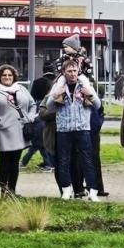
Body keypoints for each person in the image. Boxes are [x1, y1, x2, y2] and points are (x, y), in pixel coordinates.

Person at [47, 58, 100, 201]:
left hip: (83, 128)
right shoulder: (58, 86)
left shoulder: (84, 85)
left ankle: (92, 191)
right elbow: (49, 107)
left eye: (75, 70)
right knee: (63, 161)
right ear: (64, 72)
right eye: (69, 71)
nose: (72, 74)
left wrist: (90, 94)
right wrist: (55, 95)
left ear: (78, 71)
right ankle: (66, 190)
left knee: (87, 160)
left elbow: (98, 105)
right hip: (64, 129)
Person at [0, 65, 35, 198]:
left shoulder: (22, 89)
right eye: (4, 75)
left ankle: (12, 190)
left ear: (14, 77)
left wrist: (30, 118)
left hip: (20, 131)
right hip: (4, 131)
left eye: (10, 75)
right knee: (4, 161)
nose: (7, 77)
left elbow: (32, 105)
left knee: (15, 161)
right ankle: (4, 191)